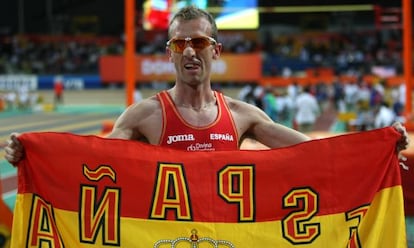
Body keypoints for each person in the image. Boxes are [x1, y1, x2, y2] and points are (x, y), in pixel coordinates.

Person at [4, 6, 409, 163]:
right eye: (180, 43)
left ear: (215, 50)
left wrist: (376, 150)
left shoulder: (242, 115)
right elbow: (90, 159)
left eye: (198, 42)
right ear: (170, 52)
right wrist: (34, 153)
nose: (189, 51)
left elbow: (316, 151)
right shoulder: (144, 115)